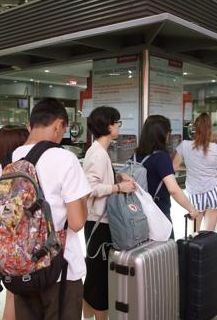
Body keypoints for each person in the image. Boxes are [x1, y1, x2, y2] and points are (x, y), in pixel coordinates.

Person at [0, 98, 90, 320]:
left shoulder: (7, 162)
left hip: (21, 266)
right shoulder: (65, 159)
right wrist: (84, 200)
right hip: (60, 269)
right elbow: (77, 223)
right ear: (58, 124)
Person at [82, 106, 135, 320]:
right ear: (108, 125)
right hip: (97, 224)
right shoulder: (97, 153)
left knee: (96, 275)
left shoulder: (100, 151)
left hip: (100, 222)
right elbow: (90, 188)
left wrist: (117, 178)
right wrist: (117, 187)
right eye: (117, 122)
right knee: (99, 277)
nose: (119, 126)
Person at [0, 125, 29, 320]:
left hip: (1, 245)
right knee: (16, 298)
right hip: (16, 247)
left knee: (12, 297)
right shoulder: (14, 176)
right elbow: (11, 216)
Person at [173, 113, 217, 232]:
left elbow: (174, 167)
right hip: (214, 190)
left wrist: (189, 167)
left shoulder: (184, 145)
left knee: (194, 233)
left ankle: (193, 251)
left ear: (194, 129)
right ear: (210, 129)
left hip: (195, 192)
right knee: (208, 233)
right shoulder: (216, 149)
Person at [135, 115, 199, 239]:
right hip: (158, 214)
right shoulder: (161, 157)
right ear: (164, 134)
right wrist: (191, 209)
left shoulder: (137, 154)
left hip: (138, 214)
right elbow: (173, 189)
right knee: (164, 255)